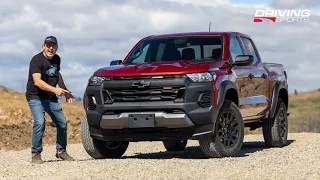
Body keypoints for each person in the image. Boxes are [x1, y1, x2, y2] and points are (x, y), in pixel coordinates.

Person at [26, 36, 75, 164]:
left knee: (62, 122)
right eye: (48, 46)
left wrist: (65, 91)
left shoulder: (57, 59)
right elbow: (37, 81)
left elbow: (57, 74)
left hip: (50, 97)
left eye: (53, 46)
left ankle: (61, 151)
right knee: (40, 122)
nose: (51, 48)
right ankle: (36, 154)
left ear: (56, 47)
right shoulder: (36, 60)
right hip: (35, 96)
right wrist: (55, 90)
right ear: (43, 46)